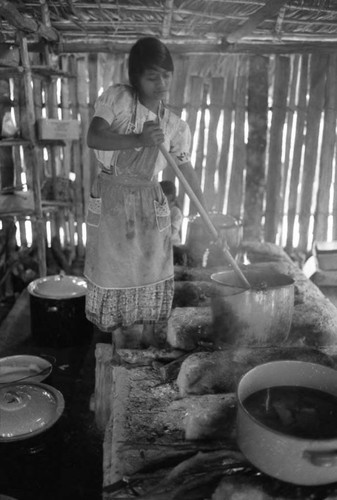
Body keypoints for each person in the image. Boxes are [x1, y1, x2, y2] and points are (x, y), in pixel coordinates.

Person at [84, 36, 206, 348]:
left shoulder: (174, 124)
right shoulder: (119, 101)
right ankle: (123, 350)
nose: (161, 83)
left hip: (151, 208)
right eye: (152, 77)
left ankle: (148, 352)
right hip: (114, 203)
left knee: (150, 280)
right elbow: (95, 137)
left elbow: (185, 169)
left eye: (166, 75)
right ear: (135, 77)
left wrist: (208, 214)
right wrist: (139, 138)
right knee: (120, 284)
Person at [159, 180, 183, 247]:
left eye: (160, 195)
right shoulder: (159, 209)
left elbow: (171, 232)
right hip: (162, 246)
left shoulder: (175, 211)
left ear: (169, 197)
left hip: (173, 247)